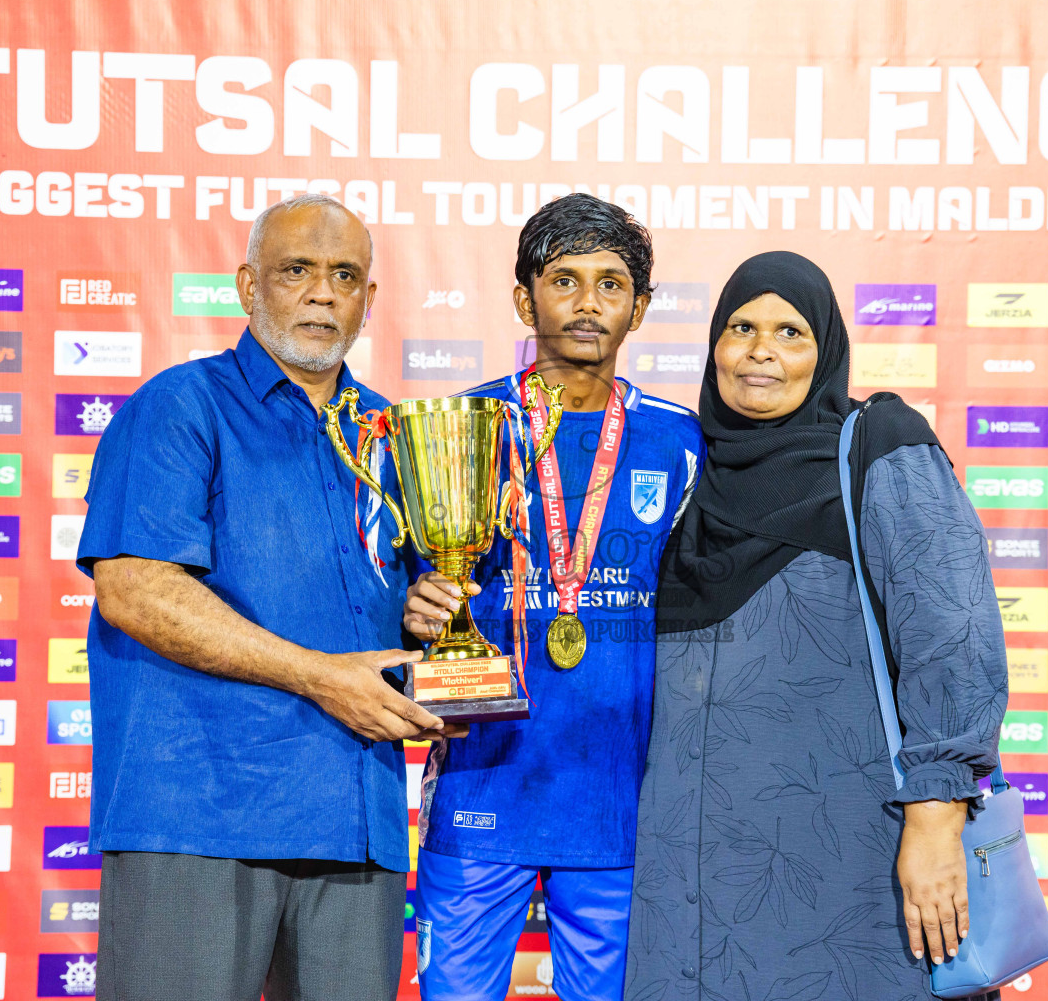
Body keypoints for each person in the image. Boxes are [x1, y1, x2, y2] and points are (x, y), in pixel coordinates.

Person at [79, 194, 464, 1001]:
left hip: (356, 826)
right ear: (248, 286)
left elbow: (397, 617)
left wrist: (429, 618)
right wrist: (322, 677)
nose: (323, 293)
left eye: (345, 275)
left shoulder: (395, 434)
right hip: (198, 818)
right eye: (298, 271)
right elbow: (137, 591)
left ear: (369, 299)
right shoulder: (180, 407)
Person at [627, 252, 1010, 1001]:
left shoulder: (880, 446)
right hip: (687, 883)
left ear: (826, 349)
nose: (759, 351)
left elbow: (954, 634)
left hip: (848, 856)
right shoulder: (678, 468)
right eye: (740, 327)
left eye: (789, 332)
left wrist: (934, 816)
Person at [403, 193, 704, 1001]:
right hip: (481, 781)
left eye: (610, 284)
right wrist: (417, 605)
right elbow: (396, 588)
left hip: (619, 796)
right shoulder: (458, 426)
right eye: (563, 280)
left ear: (639, 308)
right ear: (521, 298)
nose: (585, 302)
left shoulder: (681, 441)